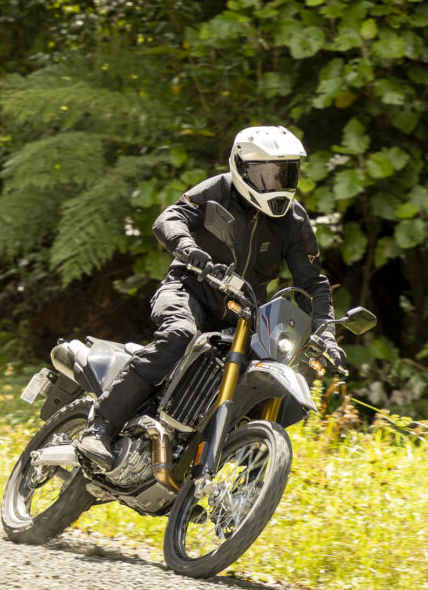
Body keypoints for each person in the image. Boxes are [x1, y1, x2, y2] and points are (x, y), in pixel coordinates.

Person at [75, 125, 345, 468]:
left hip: (245, 313)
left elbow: (314, 283)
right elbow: (169, 217)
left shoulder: (294, 220)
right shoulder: (220, 189)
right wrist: (188, 248)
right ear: (242, 167)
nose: (275, 182)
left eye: (284, 173)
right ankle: (100, 427)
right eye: (265, 173)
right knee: (179, 336)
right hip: (190, 288)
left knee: (275, 369)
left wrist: (327, 334)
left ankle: (232, 472)